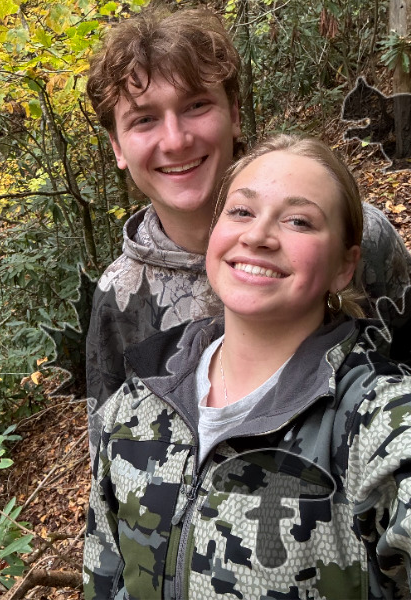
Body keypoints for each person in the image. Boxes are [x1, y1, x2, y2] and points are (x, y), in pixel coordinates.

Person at [83, 134, 411, 599]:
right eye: (241, 211)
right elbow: (104, 573)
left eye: (299, 221)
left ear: (345, 266)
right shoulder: (139, 401)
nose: (257, 236)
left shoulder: (375, 418)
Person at [84, 6, 411, 464]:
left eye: (196, 105)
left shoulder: (358, 241)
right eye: (144, 119)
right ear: (118, 147)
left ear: (234, 114)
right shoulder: (119, 297)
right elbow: (111, 457)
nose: (175, 140)